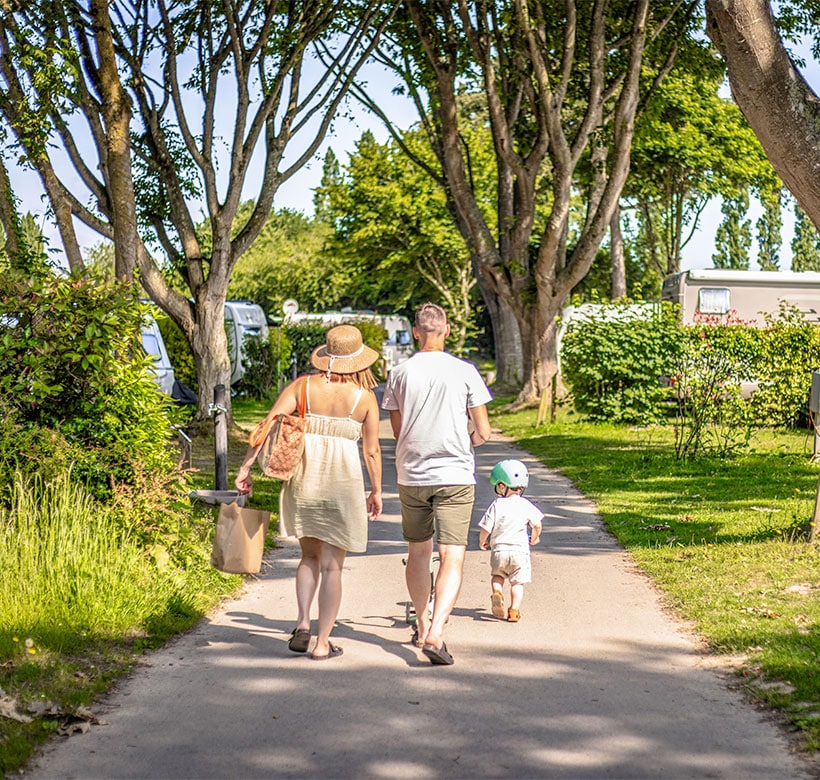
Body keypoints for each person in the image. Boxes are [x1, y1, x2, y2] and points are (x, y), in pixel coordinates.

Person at [235, 325, 382, 661]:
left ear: (327, 355)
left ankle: (302, 624)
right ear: (358, 360)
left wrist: (245, 468)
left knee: (309, 558)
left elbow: (267, 424)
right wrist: (376, 491)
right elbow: (372, 452)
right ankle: (322, 643)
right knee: (333, 567)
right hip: (343, 486)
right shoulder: (365, 399)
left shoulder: (303, 387)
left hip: (304, 481)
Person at [382, 302, 492, 665]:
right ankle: (437, 632)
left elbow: (398, 432)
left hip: (411, 475)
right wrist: (466, 442)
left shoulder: (399, 372)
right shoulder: (465, 371)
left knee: (418, 552)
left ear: (416, 332)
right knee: (452, 556)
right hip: (455, 475)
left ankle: (422, 619)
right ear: (446, 331)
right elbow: (484, 431)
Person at [478, 459, 543, 623]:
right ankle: (514, 611)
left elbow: (486, 527)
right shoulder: (525, 504)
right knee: (517, 583)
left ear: (501, 486)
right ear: (521, 487)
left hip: (499, 551)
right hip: (519, 553)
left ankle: (498, 593)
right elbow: (537, 525)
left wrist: (482, 541)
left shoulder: (497, 504)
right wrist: (534, 539)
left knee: (497, 577)